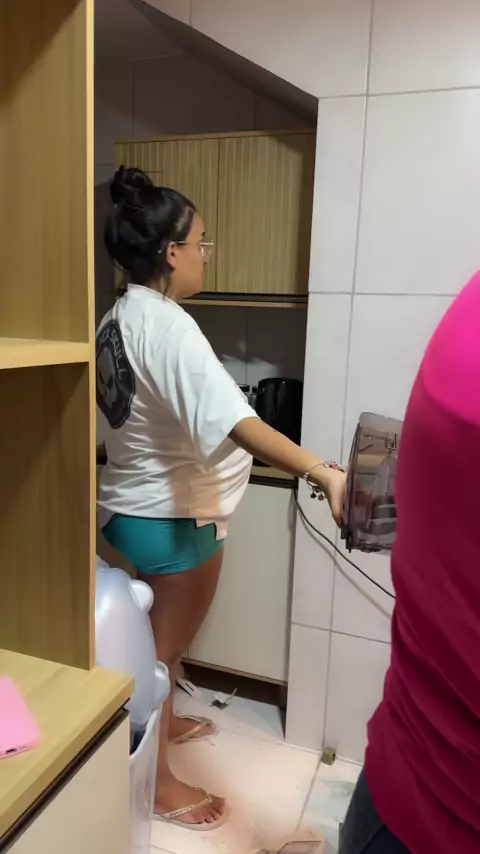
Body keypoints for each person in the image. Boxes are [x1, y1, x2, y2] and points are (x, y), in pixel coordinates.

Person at [96, 166, 346, 831]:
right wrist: (321, 472)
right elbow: (239, 422)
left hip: (127, 510)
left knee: (153, 641)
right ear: (171, 251)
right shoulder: (170, 327)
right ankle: (155, 786)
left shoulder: (118, 317)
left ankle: (167, 724)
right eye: (201, 242)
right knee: (153, 658)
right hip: (174, 522)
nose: (207, 254)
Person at [340, 271, 480, 853]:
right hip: (438, 812)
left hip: (403, 784)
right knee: (164, 651)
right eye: (201, 243)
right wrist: (318, 471)